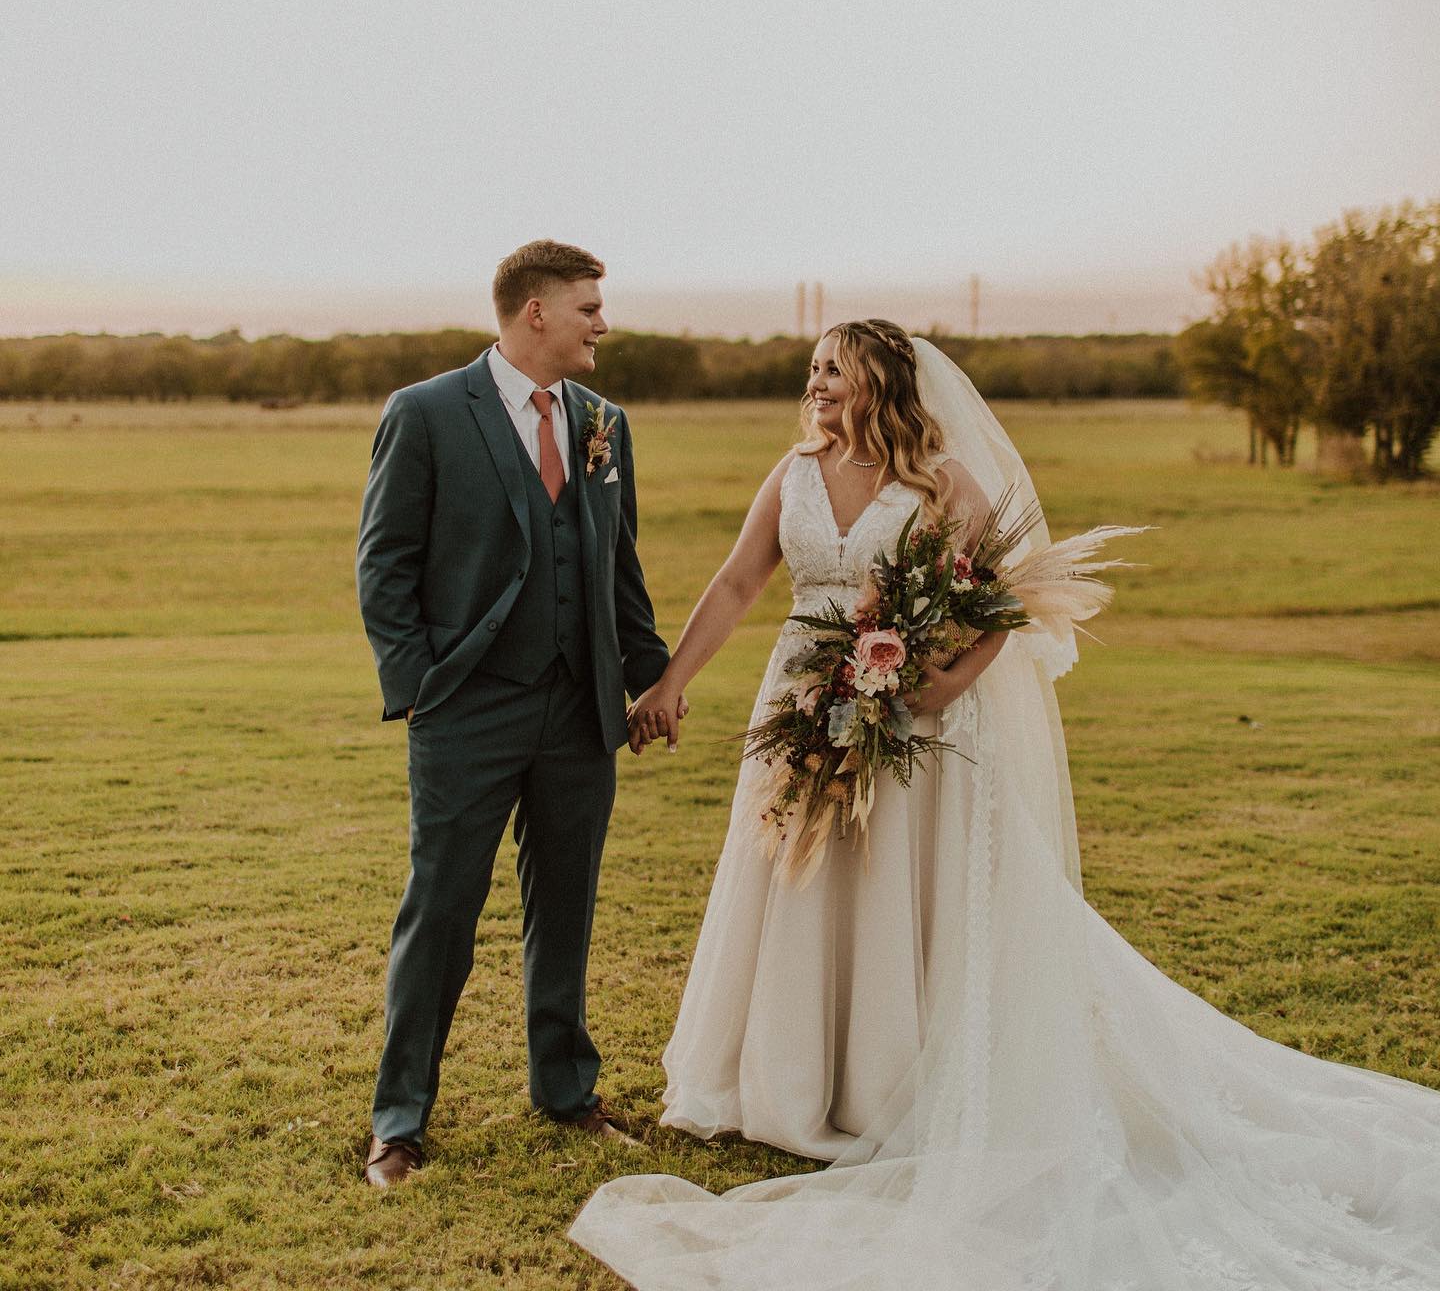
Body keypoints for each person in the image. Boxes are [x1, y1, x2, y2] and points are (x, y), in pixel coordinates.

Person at [573, 321, 1440, 1289]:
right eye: (812, 368)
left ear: (879, 382)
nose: (815, 383)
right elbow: (739, 582)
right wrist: (669, 685)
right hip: (803, 691)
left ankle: (889, 1081)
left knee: (903, 878)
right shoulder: (796, 473)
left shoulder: (944, 481)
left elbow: (1002, 601)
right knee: (800, 872)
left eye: (833, 369)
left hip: (917, 712)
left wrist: (943, 683)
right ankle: (789, 1083)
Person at [355, 240, 678, 1190]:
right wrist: (420, 687)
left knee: (566, 911)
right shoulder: (423, 413)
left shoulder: (605, 423)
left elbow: (619, 567)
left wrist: (651, 676)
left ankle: (566, 1094)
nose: (602, 325)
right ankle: (400, 1120)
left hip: (581, 713)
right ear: (534, 311)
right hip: (467, 712)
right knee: (442, 914)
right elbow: (384, 564)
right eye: (588, 308)